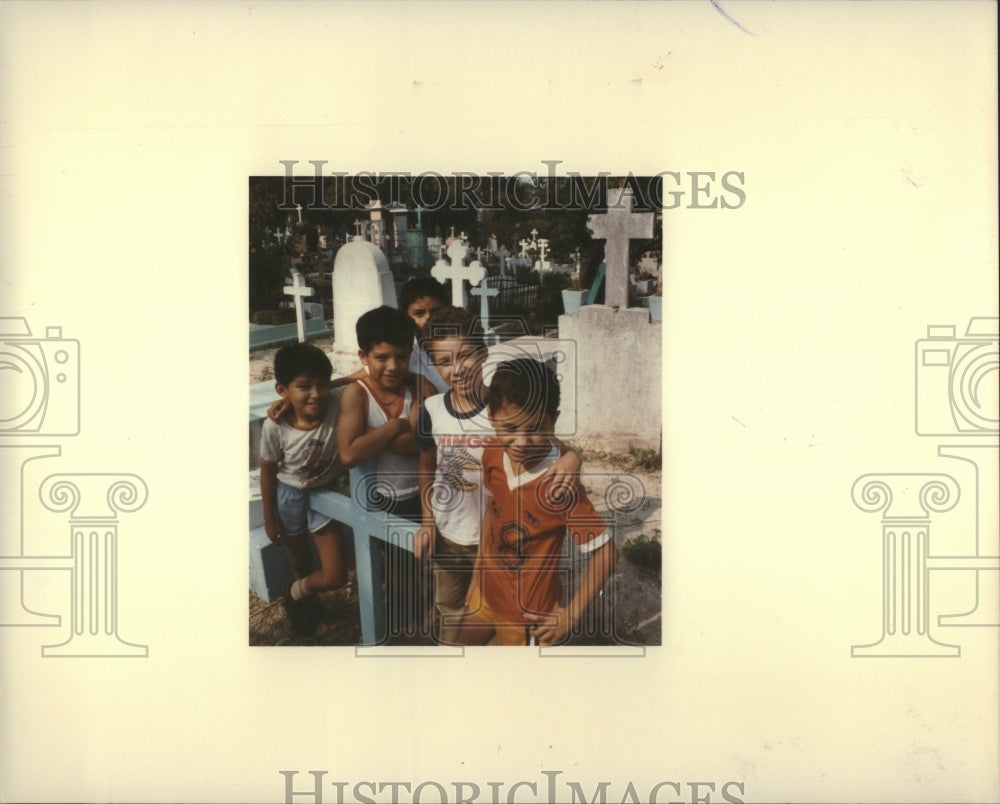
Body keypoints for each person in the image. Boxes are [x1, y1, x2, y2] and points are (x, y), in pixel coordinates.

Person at [414, 310, 583, 645]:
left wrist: (573, 459)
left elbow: (557, 446)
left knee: (504, 615)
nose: (457, 369)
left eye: (465, 355)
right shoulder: (431, 410)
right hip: (449, 536)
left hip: (496, 544)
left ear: (484, 353)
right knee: (450, 608)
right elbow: (425, 467)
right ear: (433, 364)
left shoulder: (505, 407)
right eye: (444, 361)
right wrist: (427, 520)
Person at [454, 357, 618, 646]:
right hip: (487, 591)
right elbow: (492, 515)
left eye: (534, 429)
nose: (521, 442)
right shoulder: (492, 453)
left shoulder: (560, 484)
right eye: (510, 429)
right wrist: (476, 575)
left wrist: (571, 616)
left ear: (552, 420)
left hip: (528, 614)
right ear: (491, 416)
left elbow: (607, 554)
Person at [336, 305, 433, 639]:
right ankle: (403, 628)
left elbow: (426, 444)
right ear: (364, 356)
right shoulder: (357, 395)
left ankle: (430, 620)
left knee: (430, 562)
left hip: (424, 495)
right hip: (386, 499)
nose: (393, 367)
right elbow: (349, 453)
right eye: (382, 357)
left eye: (402, 357)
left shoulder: (420, 387)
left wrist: (376, 439)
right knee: (397, 568)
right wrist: (396, 427)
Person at [258, 342, 348, 636]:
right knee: (301, 561)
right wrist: (270, 517)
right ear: (282, 390)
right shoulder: (276, 426)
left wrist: (331, 384)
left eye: (322, 384)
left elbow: (364, 375)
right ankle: (308, 614)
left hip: (324, 495)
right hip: (289, 497)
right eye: (303, 387)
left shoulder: (335, 401)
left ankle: (293, 592)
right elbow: (268, 470)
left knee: (335, 575)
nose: (315, 394)